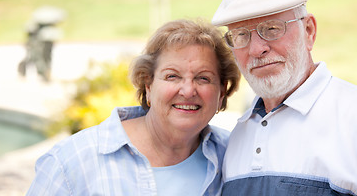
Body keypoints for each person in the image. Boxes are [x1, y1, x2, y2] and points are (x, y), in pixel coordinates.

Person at [26, 19, 240, 195]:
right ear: (148, 85)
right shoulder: (73, 162)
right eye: (172, 76)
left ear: (222, 91)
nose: (187, 90)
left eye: (203, 78)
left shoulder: (234, 155)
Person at [211, 0, 357, 195]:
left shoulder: (350, 116)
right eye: (241, 35)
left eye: (271, 29)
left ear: (309, 31)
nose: (257, 49)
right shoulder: (239, 136)